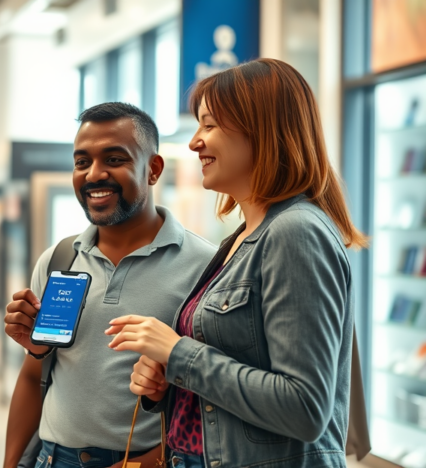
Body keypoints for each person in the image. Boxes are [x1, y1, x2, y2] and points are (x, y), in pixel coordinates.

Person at [106, 58, 367, 468]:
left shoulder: (295, 232)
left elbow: (304, 406)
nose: (194, 142)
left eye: (209, 125)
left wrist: (178, 353)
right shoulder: (241, 239)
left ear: (261, 130)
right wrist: (166, 385)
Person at [3, 102, 216, 468]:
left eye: (114, 159)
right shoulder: (58, 259)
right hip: (54, 458)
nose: (93, 175)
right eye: (82, 162)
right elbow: (32, 375)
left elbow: (209, 402)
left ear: (153, 169)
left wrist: (150, 461)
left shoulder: (205, 266)